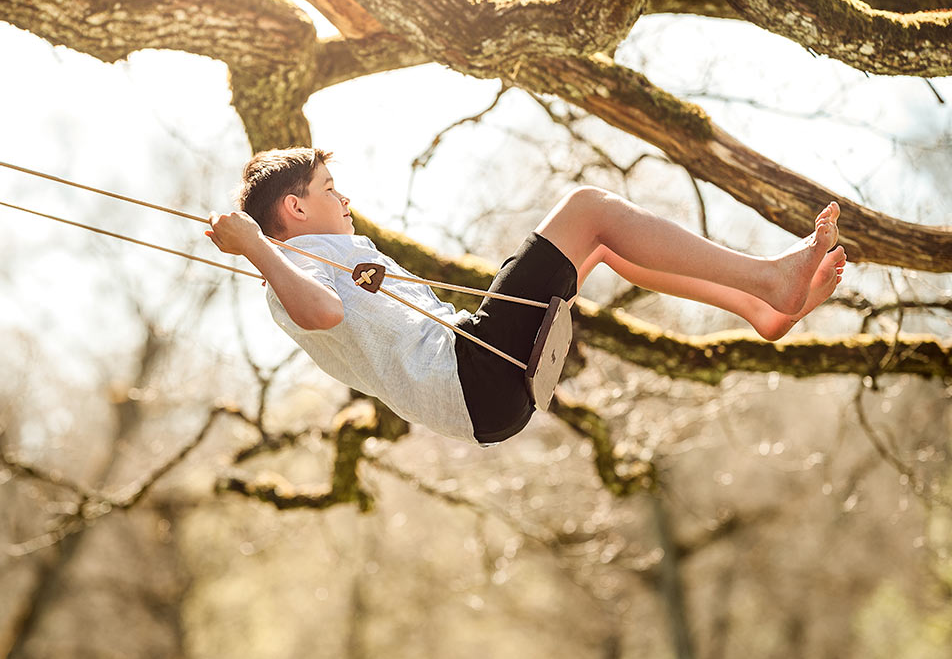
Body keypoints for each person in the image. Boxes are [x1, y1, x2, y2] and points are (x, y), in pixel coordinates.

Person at [206, 147, 845, 445]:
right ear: (295, 207)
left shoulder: (315, 258)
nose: (345, 199)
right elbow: (324, 311)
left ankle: (757, 308)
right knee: (589, 208)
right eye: (329, 188)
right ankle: (768, 280)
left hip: (484, 391)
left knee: (598, 242)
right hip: (473, 373)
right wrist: (256, 246)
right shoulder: (290, 269)